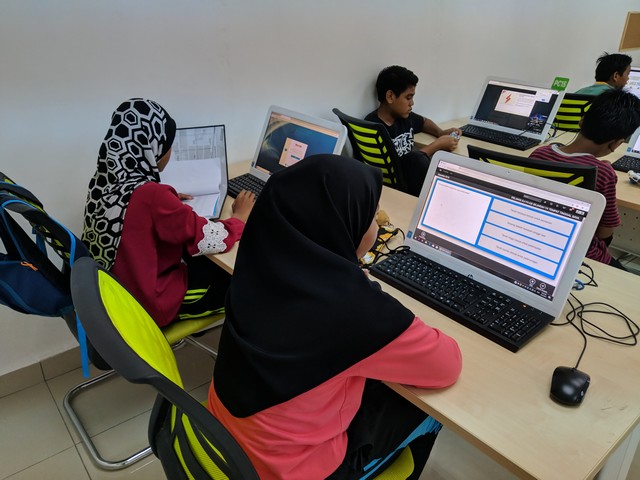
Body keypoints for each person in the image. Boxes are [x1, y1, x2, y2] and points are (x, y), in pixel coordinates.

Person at [208, 154, 462, 480]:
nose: (377, 226)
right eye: (372, 217)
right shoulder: (356, 308)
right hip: (290, 470)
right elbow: (446, 365)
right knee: (428, 411)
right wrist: (363, 290)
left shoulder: (259, 257)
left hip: (223, 437)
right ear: (344, 225)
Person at [82, 98, 255, 327]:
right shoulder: (152, 197)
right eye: (168, 144)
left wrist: (168, 202)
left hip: (118, 296)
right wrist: (239, 217)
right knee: (248, 282)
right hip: (151, 306)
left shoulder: (104, 181)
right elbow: (210, 238)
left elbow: (135, 216)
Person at [529, 89, 640, 269]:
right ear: (617, 143)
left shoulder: (539, 153)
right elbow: (605, 233)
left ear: (581, 121)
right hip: (579, 253)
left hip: (536, 239)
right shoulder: (602, 172)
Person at [365, 65, 462, 196]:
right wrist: (438, 144)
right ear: (390, 96)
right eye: (408, 97)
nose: (412, 103)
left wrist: (440, 132)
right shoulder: (373, 129)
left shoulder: (404, 117)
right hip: (398, 191)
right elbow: (404, 166)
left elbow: (424, 122)